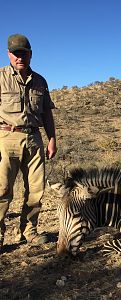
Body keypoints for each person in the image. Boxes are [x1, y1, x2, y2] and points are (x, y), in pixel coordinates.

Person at [0, 34, 57, 252]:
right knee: (2, 189)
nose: (19, 57)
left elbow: (47, 114)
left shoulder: (40, 81)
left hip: (34, 138)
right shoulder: (1, 77)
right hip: (6, 138)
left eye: (23, 53)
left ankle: (29, 232)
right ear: (9, 55)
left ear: (30, 54)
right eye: (15, 53)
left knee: (35, 190)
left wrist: (51, 139)